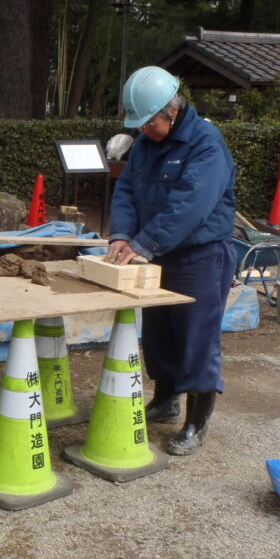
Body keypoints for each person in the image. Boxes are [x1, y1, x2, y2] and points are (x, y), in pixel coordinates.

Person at [106, 66, 237, 456]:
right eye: (139, 125)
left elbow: (191, 205)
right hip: (155, 252)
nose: (143, 131)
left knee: (196, 336)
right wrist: (121, 236)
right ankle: (165, 400)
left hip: (200, 253)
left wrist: (144, 243)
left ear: (172, 111)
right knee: (160, 330)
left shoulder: (206, 144)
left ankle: (197, 421)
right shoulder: (146, 144)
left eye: (148, 123)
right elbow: (127, 191)